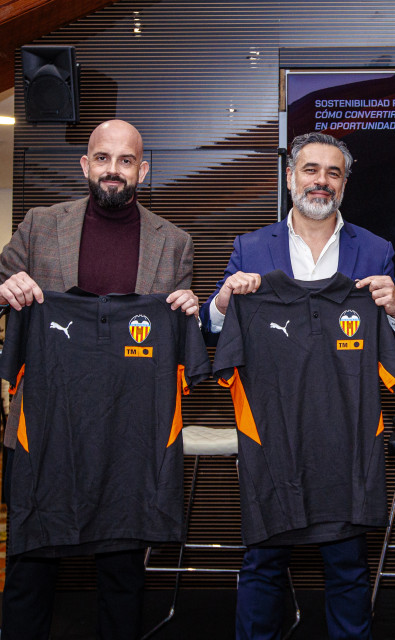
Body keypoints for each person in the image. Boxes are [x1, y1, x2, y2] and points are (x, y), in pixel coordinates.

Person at [199, 131, 395, 640]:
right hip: (273, 431)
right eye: (311, 170)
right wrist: (226, 299)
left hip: (345, 432)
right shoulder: (252, 246)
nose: (322, 181)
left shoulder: (375, 249)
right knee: (263, 558)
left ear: (345, 184)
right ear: (290, 176)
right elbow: (212, 326)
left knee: (347, 560)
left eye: (333, 173)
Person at [0, 119, 200, 640]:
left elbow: (175, 342)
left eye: (126, 160)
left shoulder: (174, 244)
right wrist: (6, 288)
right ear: (85, 165)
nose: (114, 169)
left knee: (122, 575)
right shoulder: (40, 224)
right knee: (30, 570)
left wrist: (189, 309)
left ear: (143, 171)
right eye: (104, 158)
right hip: (45, 428)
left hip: (127, 435)